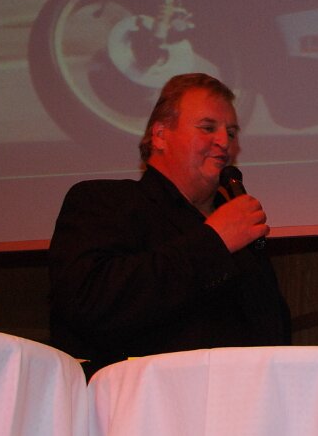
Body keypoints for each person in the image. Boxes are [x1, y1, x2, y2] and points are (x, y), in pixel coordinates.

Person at [48, 73, 290, 375]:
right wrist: (213, 241)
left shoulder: (241, 230)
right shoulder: (104, 201)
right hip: (139, 396)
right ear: (160, 135)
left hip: (241, 395)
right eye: (208, 128)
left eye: (231, 132)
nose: (224, 142)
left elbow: (271, 330)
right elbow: (89, 301)